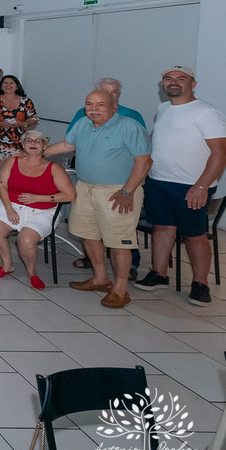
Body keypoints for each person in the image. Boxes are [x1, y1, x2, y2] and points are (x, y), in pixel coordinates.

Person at [45, 90, 151, 309]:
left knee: (119, 241)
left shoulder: (130, 126)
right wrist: (37, 153)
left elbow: (144, 162)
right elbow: (67, 145)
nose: (93, 109)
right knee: (88, 234)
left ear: (114, 106)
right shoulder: (83, 123)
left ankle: (121, 289)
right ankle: (100, 278)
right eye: (89, 104)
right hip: (84, 188)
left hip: (117, 191)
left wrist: (128, 192)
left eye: (100, 104)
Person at [134, 67, 226, 306]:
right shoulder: (163, 109)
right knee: (162, 228)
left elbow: (222, 152)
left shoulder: (207, 112)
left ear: (193, 83)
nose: (173, 83)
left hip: (191, 186)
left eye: (181, 79)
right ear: (162, 84)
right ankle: (159, 275)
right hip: (158, 182)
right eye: (168, 79)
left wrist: (201, 186)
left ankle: (200, 284)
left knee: (194, 235)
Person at [0, 130, 75, 290]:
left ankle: (32, 272)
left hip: (43, 211)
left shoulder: (54, 168)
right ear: (23, 144)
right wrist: (8, 209)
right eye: (29, 140)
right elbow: (1, 185)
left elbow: (70, 195)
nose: (33, 143)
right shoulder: (11, 162)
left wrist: (39, 198)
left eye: (38, 141)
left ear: (45, 146)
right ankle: (7, 264)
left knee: (25, 240)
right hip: (11, 205)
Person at [68, 78, 146, 129]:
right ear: (96, 92)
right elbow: (71, 140)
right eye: (105, 91)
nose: (110, 95)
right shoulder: (83, 113)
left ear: (119, 94)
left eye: (114, 92)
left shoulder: (134, 116)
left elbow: (143, 144)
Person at [0, 75, 39, 162]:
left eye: (11, 83)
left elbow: (35, 119)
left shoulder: (26, 101)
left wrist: (22, 124)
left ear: (17, 86)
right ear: (1, 86)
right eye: (5, 83)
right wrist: (0, 123)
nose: (8, 85)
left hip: (19, 142)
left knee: (16, 167)